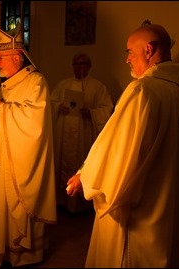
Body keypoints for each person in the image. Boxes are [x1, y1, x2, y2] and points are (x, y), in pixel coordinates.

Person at [66, 20, 179, 267]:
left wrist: (86, 175)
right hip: (171, 205)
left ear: (148, 50)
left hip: (143, 211)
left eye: (130, 51)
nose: (127, 59)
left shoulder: (143, 91)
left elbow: (118, 149)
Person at [0, 22, 57, 267]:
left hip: (20, 159)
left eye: (0, 57)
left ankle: (22, 254)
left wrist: (2, 110)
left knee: (14, 203)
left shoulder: (36, 83)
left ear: (17, 56)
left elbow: (36, 122)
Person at [51, 53, 113, 213]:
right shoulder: (63, 84)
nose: (79, 67)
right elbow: (50, 103)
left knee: (82, 162)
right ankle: (63, 202)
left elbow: (107, 109)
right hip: (63, 131)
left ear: (89, 66)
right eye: (76, 64)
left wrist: (91, 113)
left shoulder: (98, 87)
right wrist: (59, 107)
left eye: (83, 64)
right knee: (61, 164)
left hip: (84, 133)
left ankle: (81, 205)